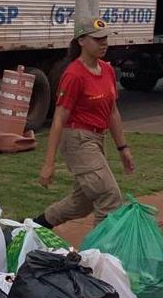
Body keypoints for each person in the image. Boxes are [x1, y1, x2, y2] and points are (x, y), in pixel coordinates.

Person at [34, 17, 135, 228]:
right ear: (81, 41)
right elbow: (59, 120)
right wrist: (49, 164)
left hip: (97, 139)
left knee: (83, 202)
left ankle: (36, 225)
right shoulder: (74, 75)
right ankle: (101, 255)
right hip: (78, 140)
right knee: (109, 197)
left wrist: (123, 148)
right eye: (97, 39)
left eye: (105, 38)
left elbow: (112, 112)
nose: (104, 43)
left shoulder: (107, 70)